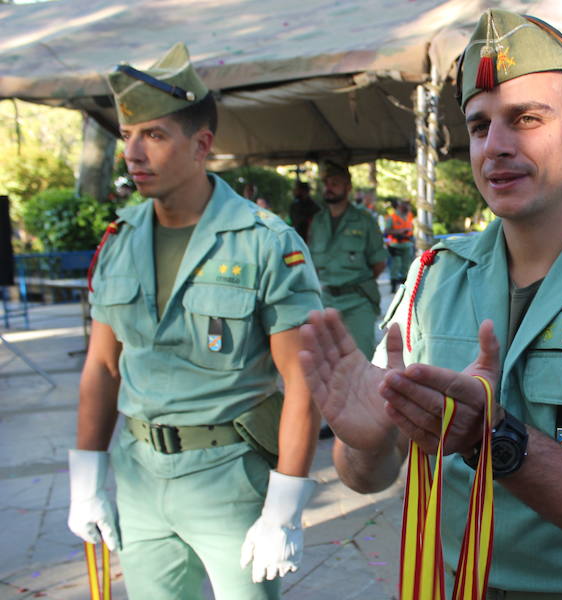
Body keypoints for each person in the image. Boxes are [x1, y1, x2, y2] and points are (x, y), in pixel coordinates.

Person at [298, 9, 562, 598]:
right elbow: (363, 477)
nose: (496, 146)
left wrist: (497, 440)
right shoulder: (434, 279)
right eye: (480, 127)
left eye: (525, 119)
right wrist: (369, 439)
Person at [67, 43, 323, 599]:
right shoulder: (120, 240)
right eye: (128, 136)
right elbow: (103, 368)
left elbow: (302, 381)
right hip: (137, 476)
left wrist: (285, 506)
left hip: (229, 476)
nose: (133, 153)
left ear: (201, 144)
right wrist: (86, 481)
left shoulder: (264, 243)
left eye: (154, 135)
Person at [307, 161, 387, 360]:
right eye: (327, 184)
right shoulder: (317, 221)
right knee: (325, 363)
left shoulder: (364, 221)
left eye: (335, 183)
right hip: (326, 300)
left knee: (361, 361)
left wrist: (353, 281)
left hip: (357, 301)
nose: (329, 188)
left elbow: (379, 263)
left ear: (348, 187)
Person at [384, 198, 416, 292]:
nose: (407, 207)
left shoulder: (409, 216)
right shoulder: (392, 217)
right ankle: (393, 287)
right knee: (395, 265)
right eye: (405, 204)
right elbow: (386, 231)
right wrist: (399, 232)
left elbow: (411, 228)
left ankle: (405, 289)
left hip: (407, 244)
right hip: (395, 245)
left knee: (406, 267)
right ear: (400, 206)